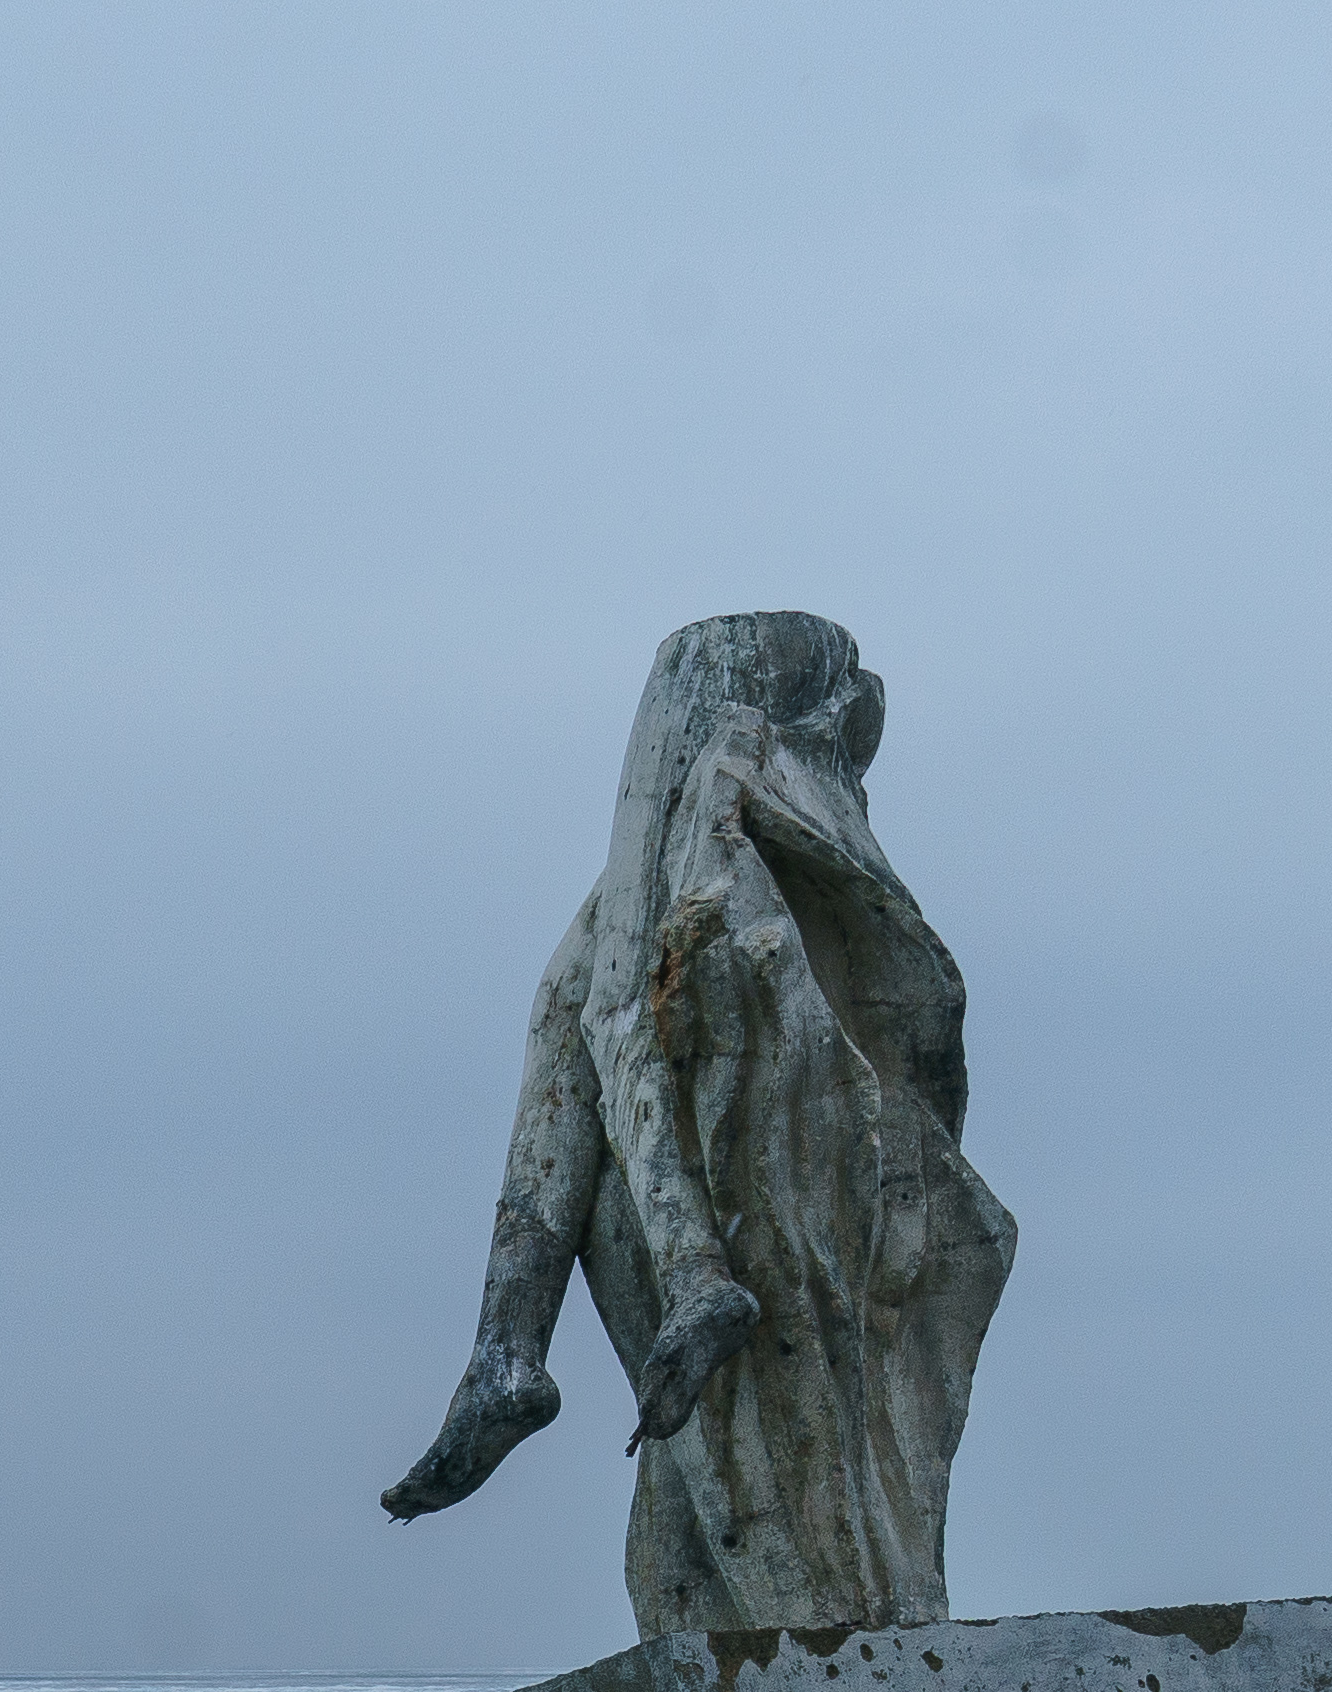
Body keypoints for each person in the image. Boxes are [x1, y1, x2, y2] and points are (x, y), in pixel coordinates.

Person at [380, 610, 1018, 1638]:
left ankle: (611, 1307)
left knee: (608, 990)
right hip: (792, 681)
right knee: (571, 990)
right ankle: (518, 1350)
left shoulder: (712, 664)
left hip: (747, 660)